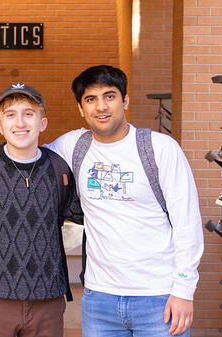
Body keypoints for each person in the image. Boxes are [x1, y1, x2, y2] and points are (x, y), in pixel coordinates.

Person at [46, 65, 204, 336]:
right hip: (99, 298)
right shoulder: (73, 146)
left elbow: (187, 223)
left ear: (125, 100)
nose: (101, 107)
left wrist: (184, 291)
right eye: (90, 99)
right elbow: (28, 159)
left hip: (159, 297)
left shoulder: (160, 148)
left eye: (110, 96)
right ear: (81, 110)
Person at [0, 83, 83, 337]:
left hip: (47, 300)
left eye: (28, 113)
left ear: (42, 123)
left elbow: (91, 213)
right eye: (10, 114)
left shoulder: (59, 169)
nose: (20, 122)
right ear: (0, 125)